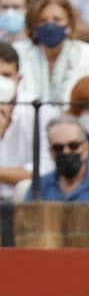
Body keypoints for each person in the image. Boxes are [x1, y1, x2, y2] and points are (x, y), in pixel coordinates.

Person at [14, 0, 89, 105]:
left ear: (69, 23)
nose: (50, 26)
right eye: (43, 21)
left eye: (57, 19)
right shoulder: (18, 51)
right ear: (33, 25)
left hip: (74, 121)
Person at [0, 40, 54, 200]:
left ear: (19, 79)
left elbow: (44, 170)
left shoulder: (39, 109)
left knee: (25, 187)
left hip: (24, 201)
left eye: (6, 75)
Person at [25, 114, 89, 200]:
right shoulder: (38, 187)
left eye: (73, 146)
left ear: (86, 148)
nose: (66, 151)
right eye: (58, 147)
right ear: (51, 152)